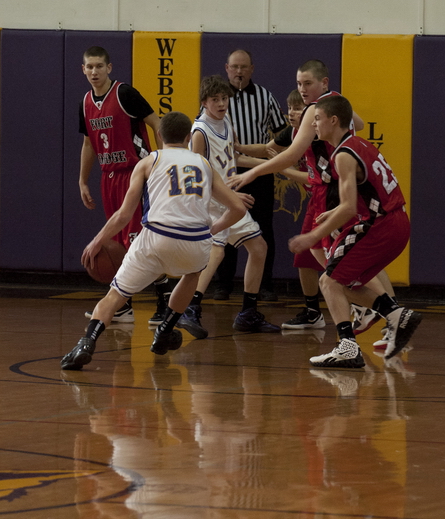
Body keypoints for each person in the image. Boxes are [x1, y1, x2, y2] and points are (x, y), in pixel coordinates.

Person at [60, 111, 247, 371]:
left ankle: (86, 342)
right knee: (192, 273)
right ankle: (166, 329)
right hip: (195, 241)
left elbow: (124, 215)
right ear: (186, 137)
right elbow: (238, 208)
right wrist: (213, 228)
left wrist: (97, 240)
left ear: (159, 135)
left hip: (157, 236)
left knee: (115, 295)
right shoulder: (204, 164)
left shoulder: (149, 161)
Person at [288, 95, 422, 367]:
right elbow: (364, 193)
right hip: (397, 221)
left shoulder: (343, 156)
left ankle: (348, 346)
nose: (313, 124)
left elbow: (348, 207)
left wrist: (314, 234)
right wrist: (332, 213)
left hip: (380, 225)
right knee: (345, 280)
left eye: (316, 119)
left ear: (333, 120)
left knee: (328, 280)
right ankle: (395, 316)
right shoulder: (359, 144)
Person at [175, 75, 281, 339]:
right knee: (216, 253)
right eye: (215, 100)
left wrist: (268, 166)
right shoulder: (200, 131)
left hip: (229, 200)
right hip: (210, 202)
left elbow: (234, 158)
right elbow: (197, 173)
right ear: (204, 102)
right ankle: (190, 308)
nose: (222, 103)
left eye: (224, 98)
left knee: (259, 248)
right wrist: (228, 198)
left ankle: (247, 313)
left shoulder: (226, 122)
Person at [78, 46, 166, 325]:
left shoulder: (124, 93)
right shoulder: (86, 102)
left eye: (99, 66)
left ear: (109, 67)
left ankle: (163, 303)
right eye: (89, 67)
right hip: (109, 177)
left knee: (142, 241)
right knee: (117, 244)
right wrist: (82, 179)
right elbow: (88, 143)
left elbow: (157, 123)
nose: (94, 72)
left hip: (134, 174)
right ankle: (123, 305)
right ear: (83, 69)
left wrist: (161, 162)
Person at [236, 90, 326, 330]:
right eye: (290, 108)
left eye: (298, 108)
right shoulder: (291, 132)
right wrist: (237, 150)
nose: (292, 113)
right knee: (305, 258)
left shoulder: (317, 135)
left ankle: (370, 305)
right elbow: (267, 151)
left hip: (328, 198)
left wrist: (282, 169)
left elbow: (309, 177)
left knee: (336, 262)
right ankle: (313, 311)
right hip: (315, 200)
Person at [214, 49, 288, 302]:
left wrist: (265, 154)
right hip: (228, 171)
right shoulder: (218, 98)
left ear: (252, 69)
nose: (239, 72)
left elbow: (282, 135)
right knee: (225, 224)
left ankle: (264, 285)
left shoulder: (265, 96)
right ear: (227, 68)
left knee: (263, 227)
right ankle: (223, 284)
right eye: (234, 67)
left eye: (243, 67)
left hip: (258, 170)